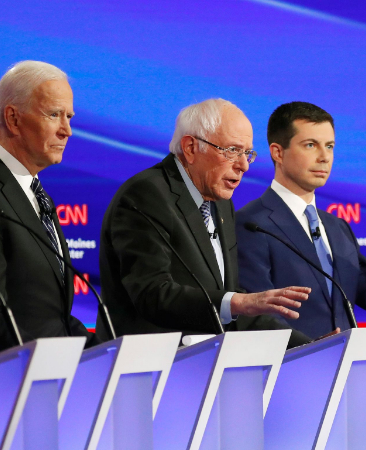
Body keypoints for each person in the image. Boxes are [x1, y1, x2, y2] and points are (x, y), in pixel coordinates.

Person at [98, 98, 313, 347]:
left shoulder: (219, 202)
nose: (243, 165)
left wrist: (310, 347)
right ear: (190, 148)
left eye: (247, 153)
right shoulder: (147, 195)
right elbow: (152, 294)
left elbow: (230, 308)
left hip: (202, 368)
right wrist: (237, 303)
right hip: (149, 369)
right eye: (232, 150)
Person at [0, 60, 97, 358]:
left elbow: (50, 317)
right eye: (54, 115)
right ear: (13, 118)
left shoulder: (34, 192)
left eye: (69, 117)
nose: (67, 131)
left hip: (46, 380)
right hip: (2, 387)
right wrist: (56, 360)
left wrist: (101, 350)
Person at [236, 101, 366, 339]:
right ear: (278, 152)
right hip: (290, 369)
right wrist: (310, 350)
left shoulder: (337, 228)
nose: (324, 157)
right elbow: (257, 316)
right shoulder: (251, 224)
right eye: (310, 145)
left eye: (329, 146)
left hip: (343, 369)